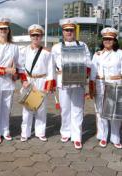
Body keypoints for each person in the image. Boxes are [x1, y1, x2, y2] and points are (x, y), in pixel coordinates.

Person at [51, 19, 91, 149]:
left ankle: (77, 136)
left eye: (71, 30)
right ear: (63, 32)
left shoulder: (83, 45)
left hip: (78, 80)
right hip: (63, 80)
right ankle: (65, 132)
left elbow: (89, 62)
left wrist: (85, 73)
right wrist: (52, 80)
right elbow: (52, 65)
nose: (69, 32)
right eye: (66, 30)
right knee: (65, 108)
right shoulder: (56, 47)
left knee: (78, 108)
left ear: (75, 31)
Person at [0, 17, 27, 144]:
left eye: (5, 28)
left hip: (9, 82)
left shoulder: (14, 47)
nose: (3, 30)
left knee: (7, 107)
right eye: (1, 28)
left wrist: (19, 77)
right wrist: (7, 70)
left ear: (8, 30)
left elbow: (19, 65)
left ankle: (5, 130)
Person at [20, 24, 55, 142]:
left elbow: (51, 70)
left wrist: (48, 86)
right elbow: (21, 68)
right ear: (30, 36)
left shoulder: (47, 52)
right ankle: (25, 132)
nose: (35, 37)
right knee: (27, 108)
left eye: (38, 35)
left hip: (41, 80)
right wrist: (23, 80)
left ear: (41, 36)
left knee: (41, 108)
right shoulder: (24, 51)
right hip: (29, 81)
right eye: (33, 35)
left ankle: (40, 132)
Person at [90, 27, 122, 149]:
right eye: (105, 39)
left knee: (115, 113)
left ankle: (116, 138)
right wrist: (92, 88)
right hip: (100, 85)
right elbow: (93, 73)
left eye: (110, 39)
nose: (107, 41)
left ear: (114, 40)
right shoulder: (97, 55)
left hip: (116, 84)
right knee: (100, 112)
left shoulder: (120, 54)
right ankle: (103, 136)